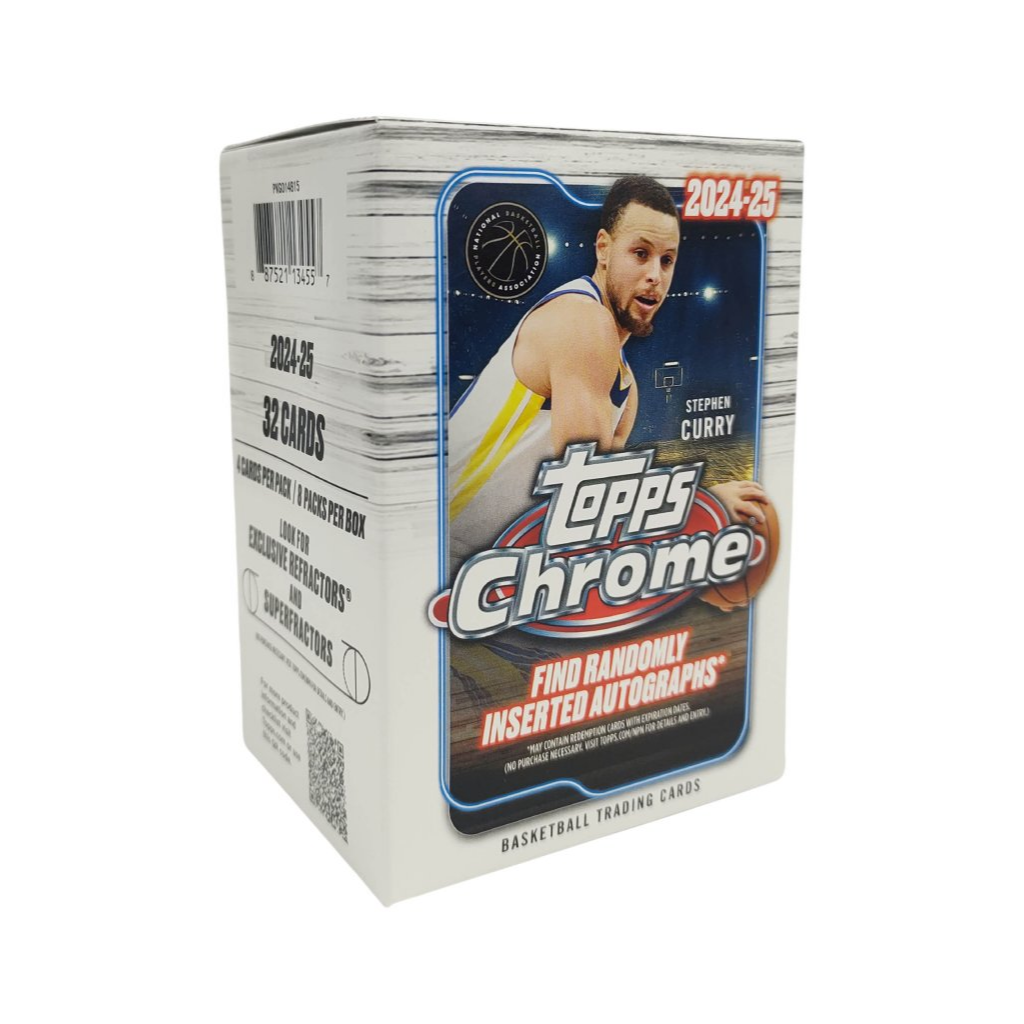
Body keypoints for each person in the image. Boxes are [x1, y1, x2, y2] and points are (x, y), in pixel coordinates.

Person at [449, 174, 768, 563]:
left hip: (494, 563)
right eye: (640, 253)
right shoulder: (582, 320)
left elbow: (599, 517)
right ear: (603, 248)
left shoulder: (626, 386)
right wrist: (706, 504)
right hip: (442, 545)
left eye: (667, 260)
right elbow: (588, 493)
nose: (655, 276)